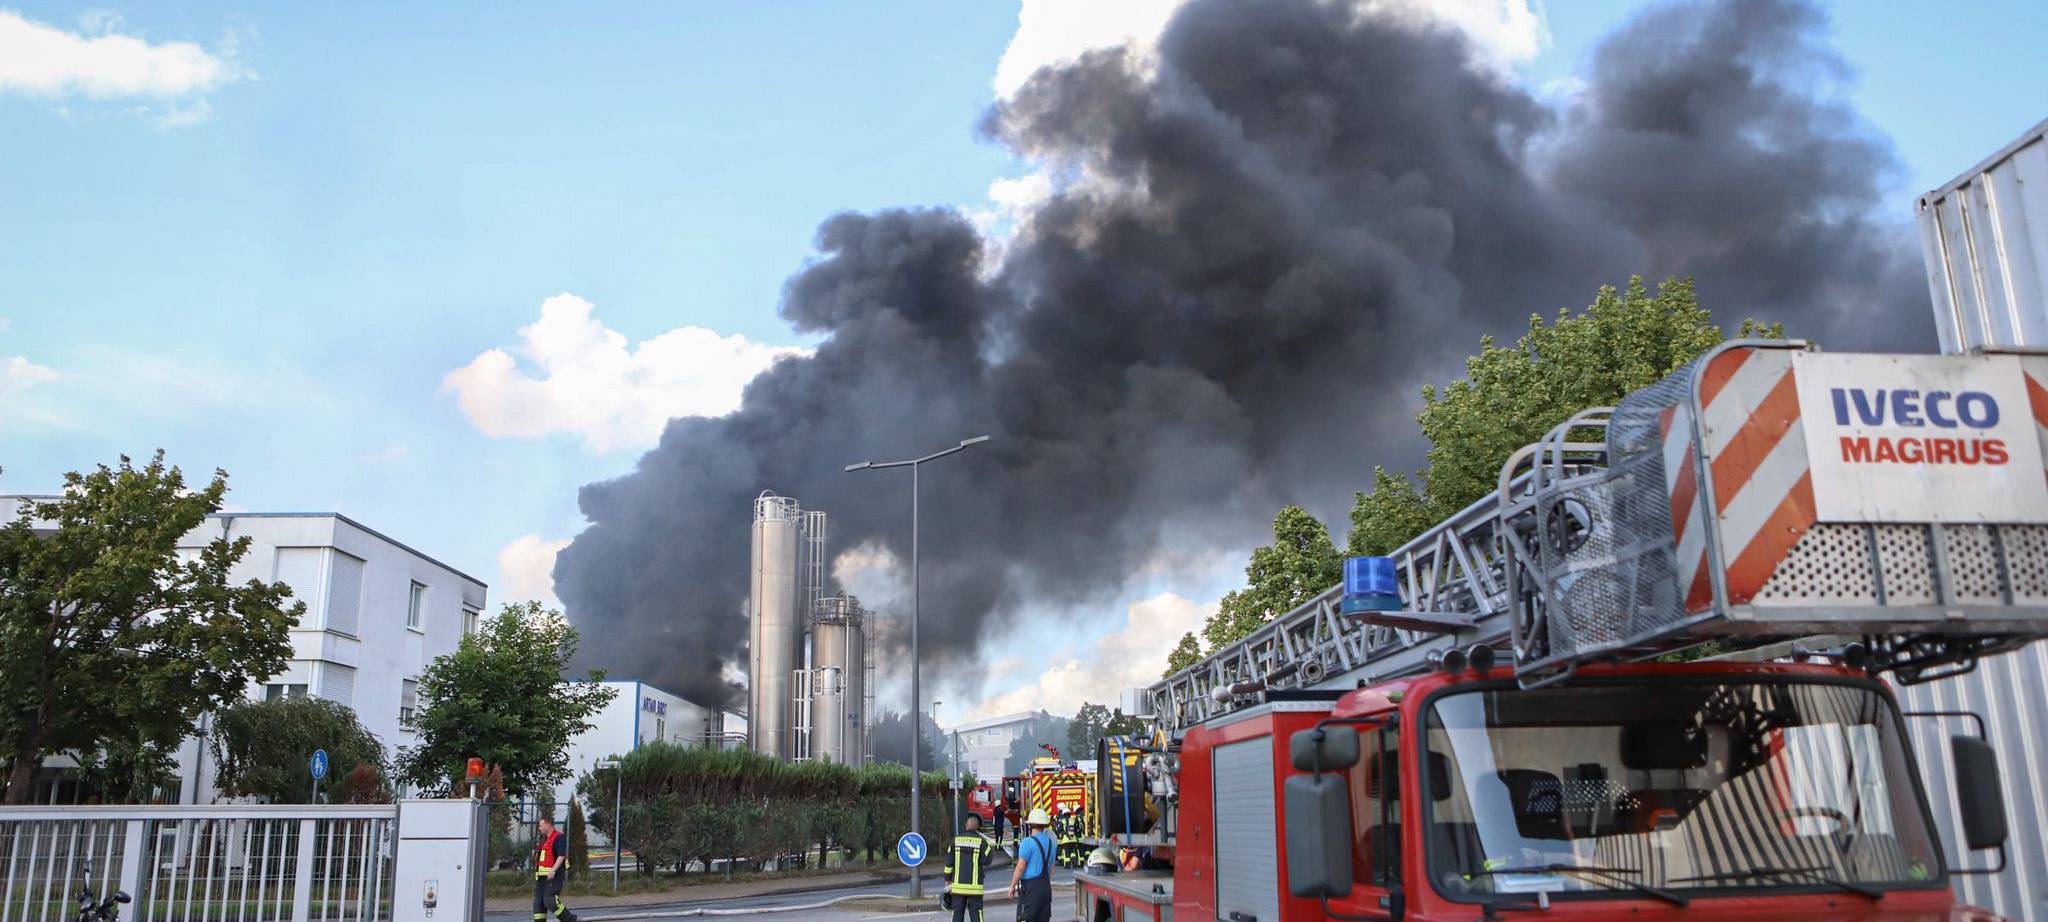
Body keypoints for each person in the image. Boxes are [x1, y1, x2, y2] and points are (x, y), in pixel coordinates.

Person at [1006, 809, 1055, 922]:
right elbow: (1052, 868)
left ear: (1030, 825)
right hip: (1045, 888)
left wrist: (1012, 886)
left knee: (1025, 918)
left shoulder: (1027, 842)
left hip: (1030, 890)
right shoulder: (1050, 843)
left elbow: (1020, 867)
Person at [943, 813, 993, 922]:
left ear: (966, 826)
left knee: (957, 914)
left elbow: (948, 864)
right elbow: (987, 860)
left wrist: (948, 880)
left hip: (958, 887)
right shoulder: (982, 842)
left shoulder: (955, 841)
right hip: (975, 888)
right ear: (977, 827)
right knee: (977, 914)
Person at [531, 815, 574, 922]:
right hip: (542, 879)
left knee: (550, 901)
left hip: (553, 876)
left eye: (541, 825)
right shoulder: (545, 840)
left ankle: (569, 919)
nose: (539, 828)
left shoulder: (558, 837)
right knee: (538, 904)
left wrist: (553, 870)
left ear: (548, 824)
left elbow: (561, 856)